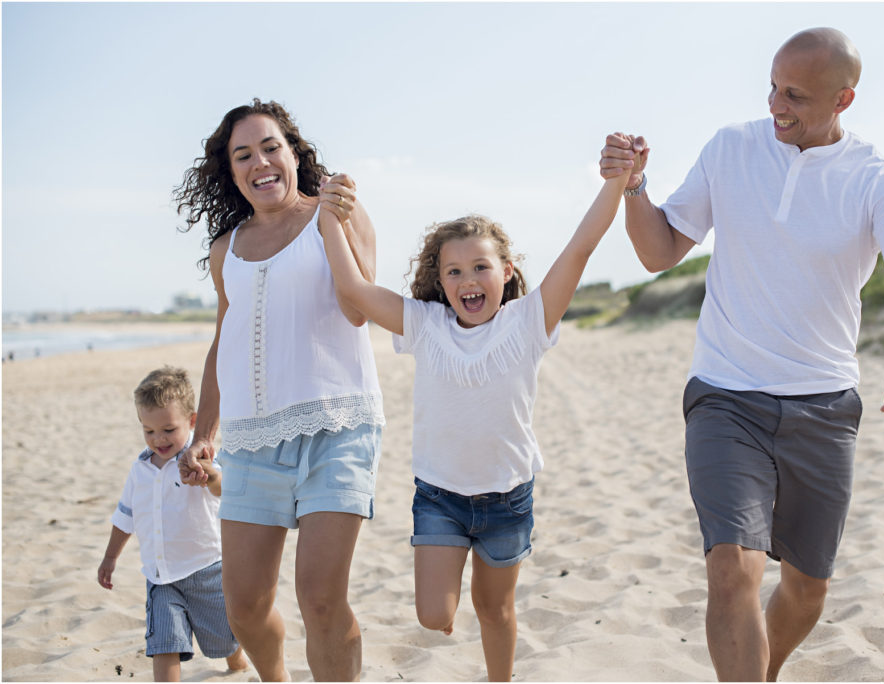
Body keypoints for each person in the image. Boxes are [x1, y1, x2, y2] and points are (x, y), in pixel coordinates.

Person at [600, 27, 884, 682]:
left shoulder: (876, 179)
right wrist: (634, 186)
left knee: (807, 589)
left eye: (795, 95)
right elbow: (658, 251)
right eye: (771, 86)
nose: (775, 105)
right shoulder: (731, 149)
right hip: (725, 396)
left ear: (845, 98)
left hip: (825, 407)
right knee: (733, 568)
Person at [315, 142, 633, 681]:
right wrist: (329, 220)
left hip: (508, 496)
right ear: (440, 283)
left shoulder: (528, 322)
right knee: (433, 614)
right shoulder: (425, 326)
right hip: (439, 495)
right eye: (454, 271)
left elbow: (580, 248)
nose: (468, 281)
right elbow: (354, 289)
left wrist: (617, 182)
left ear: (506, 272)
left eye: (480, 267)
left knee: (494, 608)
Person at [172, 99, 386, 682]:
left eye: (271, 148)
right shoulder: (226, 250)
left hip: (336, 428)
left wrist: (340, 223)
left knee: (319, 597)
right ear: (231, 172)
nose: (260, 162)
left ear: (295, 154)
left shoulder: (335, 214)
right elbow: (225, 343)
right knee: (243, 607)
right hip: (251, 442)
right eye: (243, 155)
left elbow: (358, 309)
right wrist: (203, 435)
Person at [97, 367, 248, 682]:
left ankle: (236, 658)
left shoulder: (199, 459)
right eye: (149, 431)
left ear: (192, 422)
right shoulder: (140, 470)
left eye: (168, 429)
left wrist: (210, 476)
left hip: (207, 571)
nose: (158, 439)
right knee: (163, 645)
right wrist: (111, 557)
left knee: (224, 639)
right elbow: (126, 517)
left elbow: (222, 487)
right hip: (160, 578)